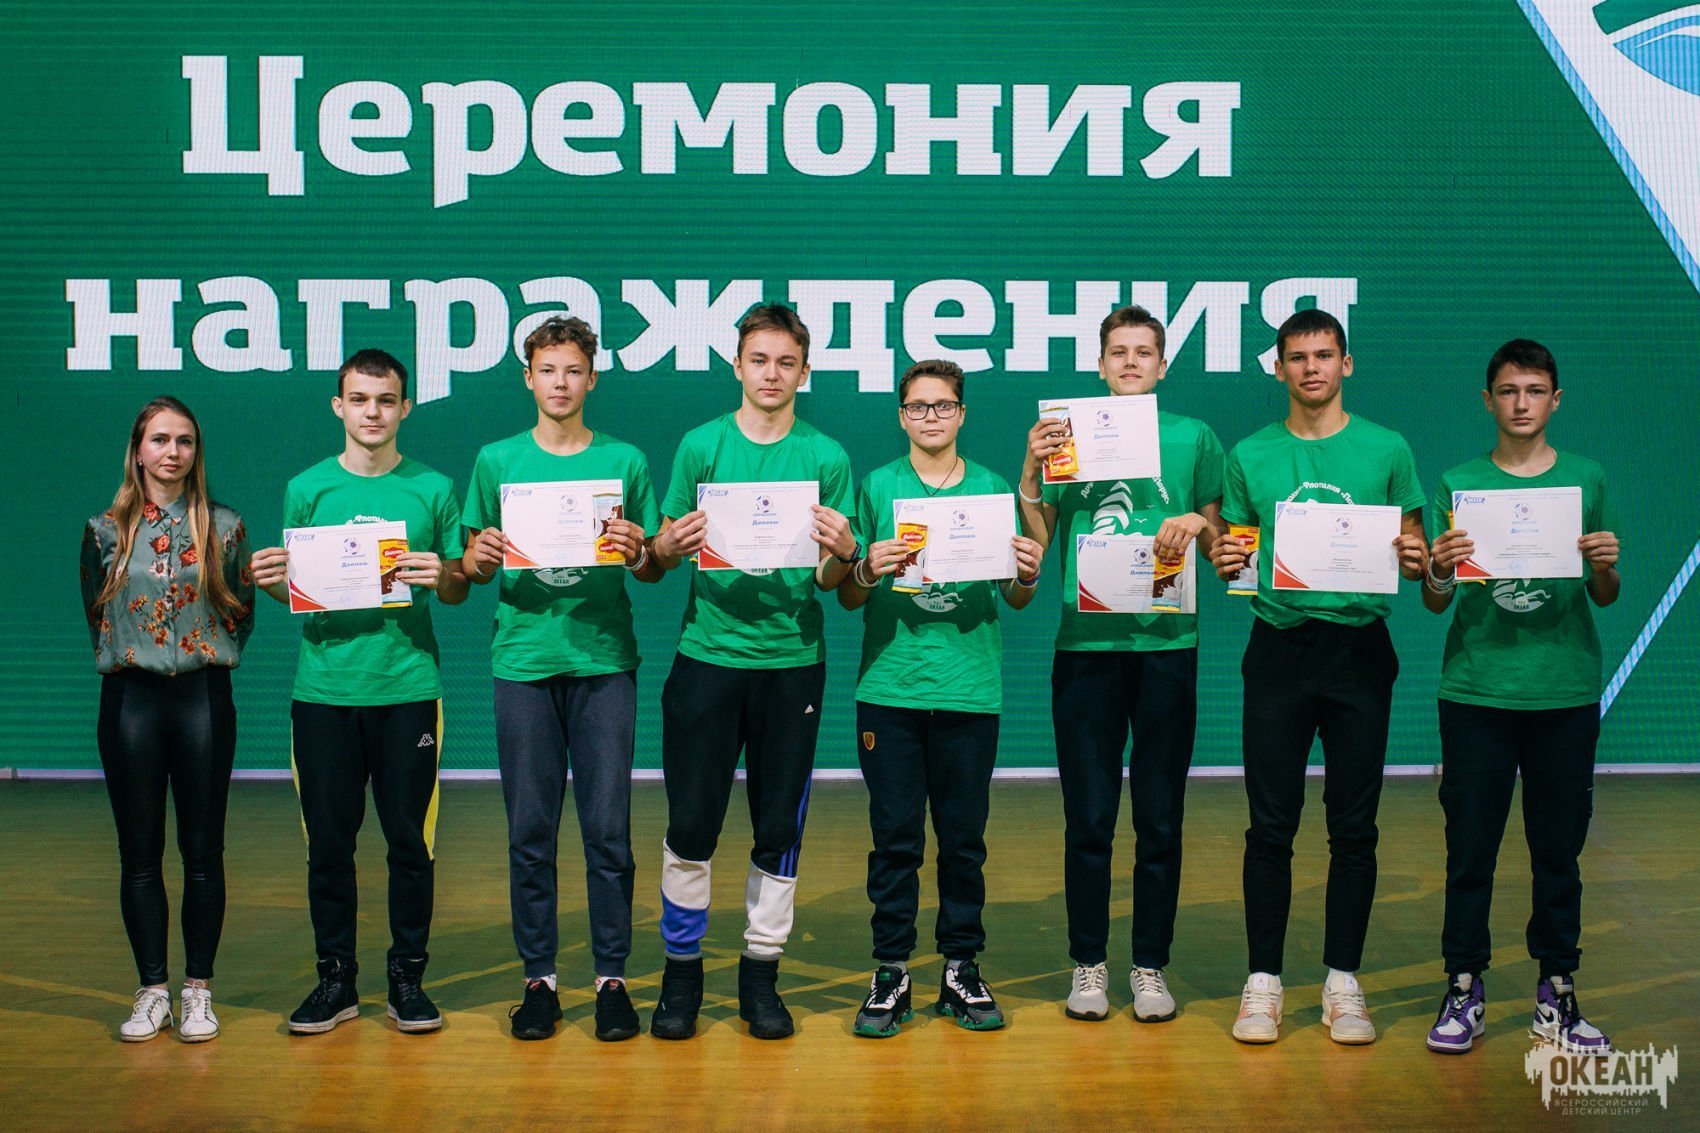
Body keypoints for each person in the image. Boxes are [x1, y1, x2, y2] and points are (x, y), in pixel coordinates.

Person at [1207, 309, 1427, 1045]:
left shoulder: (1388, 448)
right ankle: (1263, 981)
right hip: (1279, 650)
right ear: (1279, 369)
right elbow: (1237, 562)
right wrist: (1228, 562)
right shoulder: (1250, 453)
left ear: (1346, 364)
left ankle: (1343, 982)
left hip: (1360, 652)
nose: (1311, 368)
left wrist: (1415, 558)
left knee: (1353, 826)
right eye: (1297, 357)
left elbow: (1414, 548)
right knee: (1270, 825)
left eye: (1324, 355)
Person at [645, 303, 857, 1040]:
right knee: (690, 823)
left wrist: (846, 551)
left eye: (786, 362)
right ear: (737, 366)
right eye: (759, 360)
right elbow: (661, 553)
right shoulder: (700, 446)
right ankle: (681, 975)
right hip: (707, 659)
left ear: (805, 371)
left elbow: (832, 579)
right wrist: (667, 544)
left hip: (792, 666)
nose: (772, 374)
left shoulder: (826, 456)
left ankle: (761, 975)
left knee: (776, 828)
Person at [250, 349, 469, 1035]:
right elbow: (302, 592)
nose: (373, 412)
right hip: (323, 692)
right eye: (360, 399)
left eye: (386, 400)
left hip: (408, 689)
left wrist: (444, 573)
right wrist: (274, 583)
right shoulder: (306, 488)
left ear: (406, 408)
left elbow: (458, 588)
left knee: (410, 843)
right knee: (328, 846)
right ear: (338, 406)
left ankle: (407, 979)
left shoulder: (434, 488)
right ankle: (336, 980)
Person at [1018, 306, 1225, 1024]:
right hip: (1087, 651)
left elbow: (1225, 543)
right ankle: (1089, 963)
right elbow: (1040, 535)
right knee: (1089, 818)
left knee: (1160, 819)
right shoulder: (1068, 434)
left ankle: (1149, 966)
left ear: (1163, 366)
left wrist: (1200, 523)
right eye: (1118, 352)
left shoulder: (1194, 437)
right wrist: (1030, 472)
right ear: (1100, 364)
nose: (1131, 362)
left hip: (1167, 648)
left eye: (1143, 352)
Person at [461, 316, 661, 1042]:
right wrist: (478, 557)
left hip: (604, 664)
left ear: (592, 378)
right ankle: (539, 980)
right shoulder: (496, 460)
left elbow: (651, 564)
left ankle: (612, 978)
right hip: (523, 664)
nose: (560, 383)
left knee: (608, 830)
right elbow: (470, 565)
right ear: (528, 378)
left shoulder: (625, 460)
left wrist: (638, 550)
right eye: (547, 370)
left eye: (573, 370)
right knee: (530, 831)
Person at [1421, 339, 1618, 1055]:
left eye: (1535, 390)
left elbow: (1603, 592)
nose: (1522, 403)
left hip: (1563, 690)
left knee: (1557, 852)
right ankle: (1464, 985)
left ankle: (1557, 990)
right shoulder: (1458, 484)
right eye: (1508, 391)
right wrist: (1440, 569)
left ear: (1555, 400)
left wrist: (1606, 565)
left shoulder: (1585, 479)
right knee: (1469, 850)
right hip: (1477, 691)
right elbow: (1436, 600)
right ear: (1488, 400)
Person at [840, 359, 1042, 1037]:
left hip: (968, 691)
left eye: (943, 405)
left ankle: (961, 967)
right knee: (895, 840)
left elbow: (1015, 597)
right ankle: (891, 971)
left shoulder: (991, 490)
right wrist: (868, 566)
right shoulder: (877, 486)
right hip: (890, 691)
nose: (931, 416)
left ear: (962, 413)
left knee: (963, 842)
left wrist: (1028, 574)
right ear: (901, 416)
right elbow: (848, 594)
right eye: (918, 406)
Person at [81, 396, 254, 1042]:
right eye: (159, 439)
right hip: (131, 704)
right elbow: (96, 616)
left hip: (204, 701)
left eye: (184, 440)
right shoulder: (104, 531)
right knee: (139, 854)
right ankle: (152, 989)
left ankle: (198, 990)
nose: (172, 451)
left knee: (203, 852)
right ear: (138, 450)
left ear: (195, 451)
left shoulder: (226, 527)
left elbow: (241, 613)